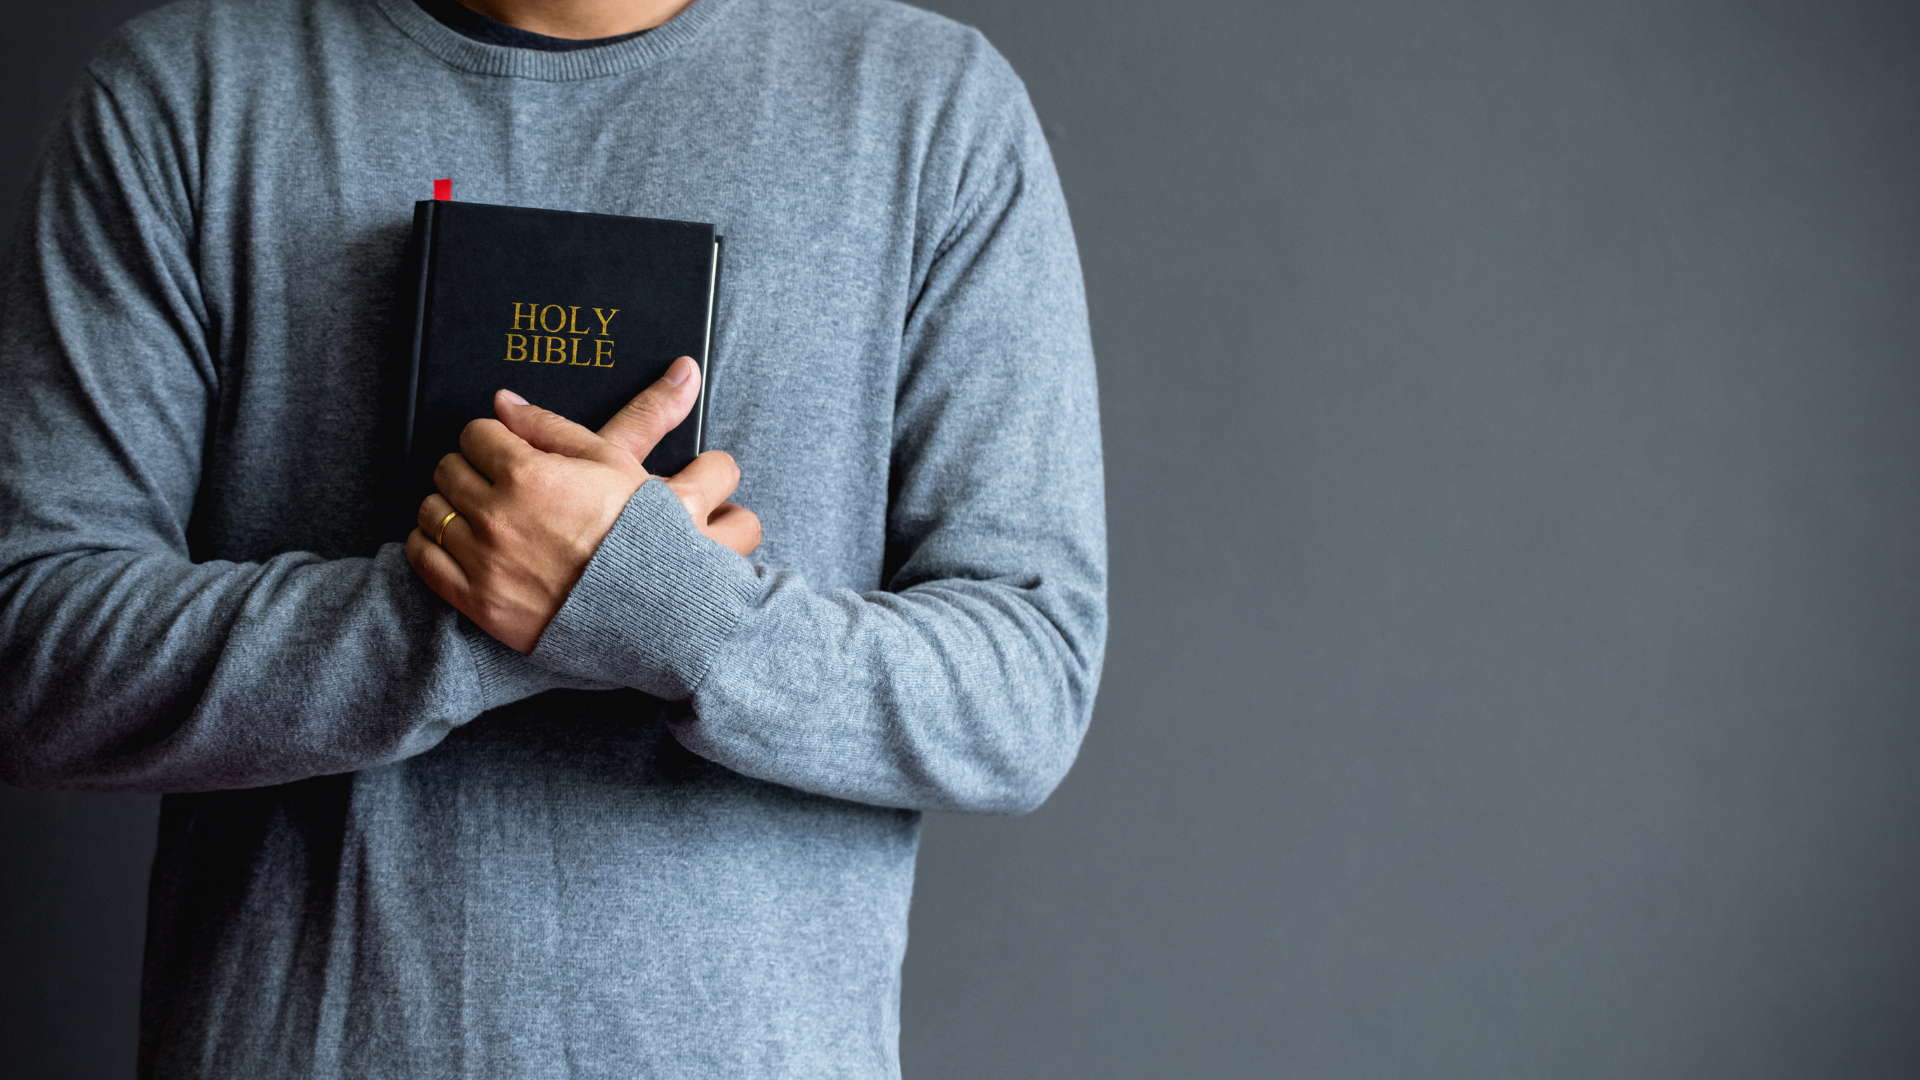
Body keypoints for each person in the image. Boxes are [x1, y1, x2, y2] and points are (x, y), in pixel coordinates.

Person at [0, 0, 1105, 1073]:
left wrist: (662, 608)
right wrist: (474, 607)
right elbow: (30, 649)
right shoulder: (187, 94)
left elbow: (1024, 690)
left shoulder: (928, 111)